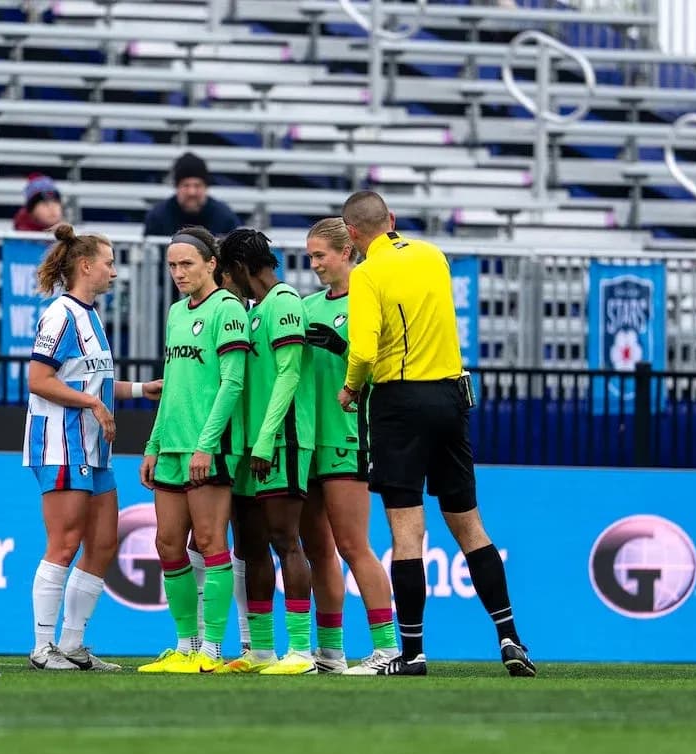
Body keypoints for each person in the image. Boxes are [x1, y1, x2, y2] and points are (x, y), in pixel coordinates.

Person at [338, 190, 534, 677]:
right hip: (450, 398)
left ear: (354, 236)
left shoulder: (366, 273)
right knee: (470, 527)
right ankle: (510, 638)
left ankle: (413, 653)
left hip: (399, 403)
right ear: (393, 220)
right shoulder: (432, 255)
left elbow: (363, 351)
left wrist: (349, 390)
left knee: (408, 534)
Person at [23, 223, 162, 671]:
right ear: (86, 266)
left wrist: (141, 389)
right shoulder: (59, 315)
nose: (114, 273)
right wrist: (93, 405)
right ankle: (42, 648)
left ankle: (72, 644)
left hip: (92, 448)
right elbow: (38, 381)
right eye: (109, 263)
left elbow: (91, 381)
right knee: (63, 544)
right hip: (62, 445)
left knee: (102, 545)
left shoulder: (90, 314)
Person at [136, 226, 248, 674]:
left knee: (209, 541)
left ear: (210, 264)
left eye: (187, 264)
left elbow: (233, 382)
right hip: (171, 446)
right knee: (167, 544)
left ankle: (213, 651)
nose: (179, 273)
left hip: (210, 447)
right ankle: (186, 645)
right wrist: (153, 443)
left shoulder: (228, 310)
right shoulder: (177, 312)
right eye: (172, 266)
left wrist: (206, 445)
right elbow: (173, 385)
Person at [300, 218, 401, 675]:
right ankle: (331, 652)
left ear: (347, 252)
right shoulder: (305, 307)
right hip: (307, 442)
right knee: (318, 549)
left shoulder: (369, 299)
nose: (315, 263)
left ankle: (387, 648)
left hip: (347, 437)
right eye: (311, 256)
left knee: (353, 545)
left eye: (321, 254)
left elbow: (384, 371)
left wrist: (342, 347)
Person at [215, 228, 316, 676]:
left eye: (225, 269)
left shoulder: (286, 302)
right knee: (251, 547)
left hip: (283, 441)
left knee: (284, 541)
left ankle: (301, 651)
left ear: (238, 267)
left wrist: (266, 438)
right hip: (250, 449)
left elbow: (289, 376)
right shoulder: (252, 313)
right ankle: (260, 650)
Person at [142, 152, 241, 238]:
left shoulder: (225, 217)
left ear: (206, 187)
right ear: (177, 187)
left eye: (197, 185)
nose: (191, 192)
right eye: (186, 185)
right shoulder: (158, 217)